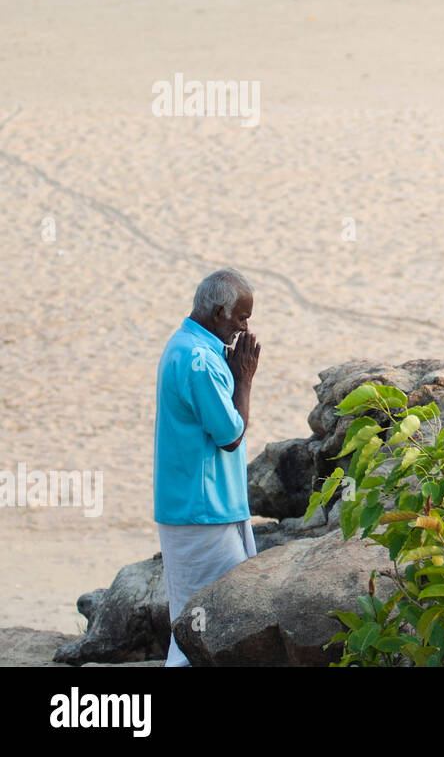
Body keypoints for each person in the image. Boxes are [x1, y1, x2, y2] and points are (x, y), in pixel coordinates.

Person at [153, 268, 261, 665]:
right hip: (202, 513)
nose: (244, 327)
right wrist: (245, 380)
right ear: (218, 313)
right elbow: (229, 434)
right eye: (241, 318)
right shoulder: (199, 359)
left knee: (197, 624)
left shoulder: (187, 346)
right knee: (213, 624)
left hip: (204, 508)